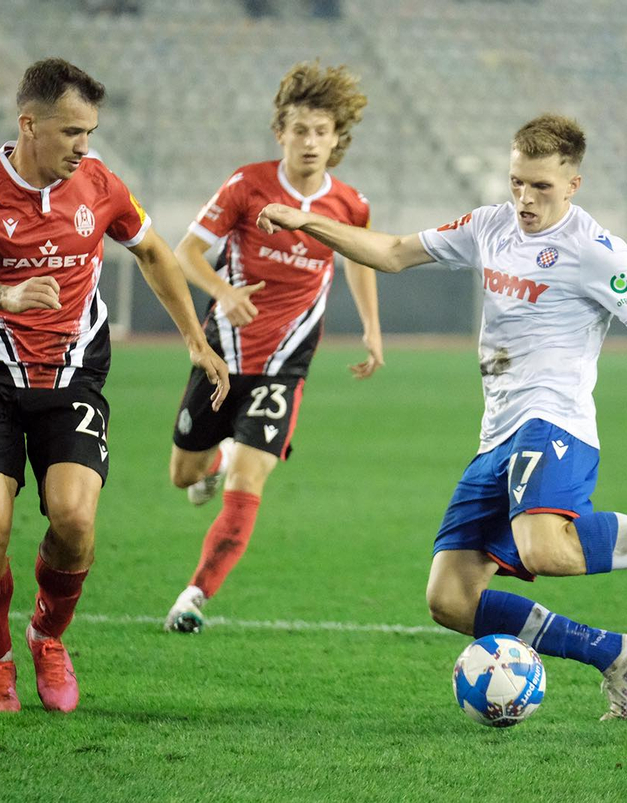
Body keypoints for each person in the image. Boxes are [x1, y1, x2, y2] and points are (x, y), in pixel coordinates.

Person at [256, 114, 627, 721]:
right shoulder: (488, 223)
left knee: (544, 549)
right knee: (450, 599)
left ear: (573, 184)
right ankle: (616, 654)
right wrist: (308, 220)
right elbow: (391, 252)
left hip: (555, 422)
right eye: (517, 181)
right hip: (496, 434)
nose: (524, 197)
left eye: (541, 187)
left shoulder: (595, 251)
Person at [0, 58, 229, 713]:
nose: (83, 146)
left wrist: (195, 340)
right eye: (70, 133)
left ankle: (46, 636)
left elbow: (152, 252)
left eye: (89, 132)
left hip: (72, 374)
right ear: (29, 125)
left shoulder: (99, 185)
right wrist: (4, 293)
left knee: (75, 519)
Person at [163, 61, 382, 633]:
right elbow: (185, 253)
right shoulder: (246, 185)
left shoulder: (350, 204)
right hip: (220, 357)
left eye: (321, 131)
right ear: (280, 132)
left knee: (249, 483)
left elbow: (360, 259)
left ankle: (193, 596)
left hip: (284, 368)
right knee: (183, 477)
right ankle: (215, 460)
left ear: (337, 139)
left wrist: (372, 328)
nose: (310, 142)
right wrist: (222, 291)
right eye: (299, 130)